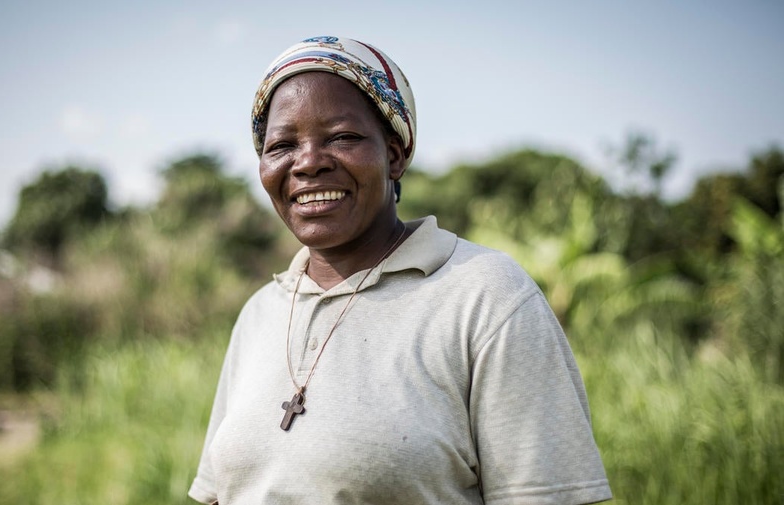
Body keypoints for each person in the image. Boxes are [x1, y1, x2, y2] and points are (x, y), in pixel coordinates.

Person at [188, 36, 612, 505]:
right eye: (282, 145)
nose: (307, 162)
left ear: (395, 153)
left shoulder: (486, 298)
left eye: (342, 137)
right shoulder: (262, 312)